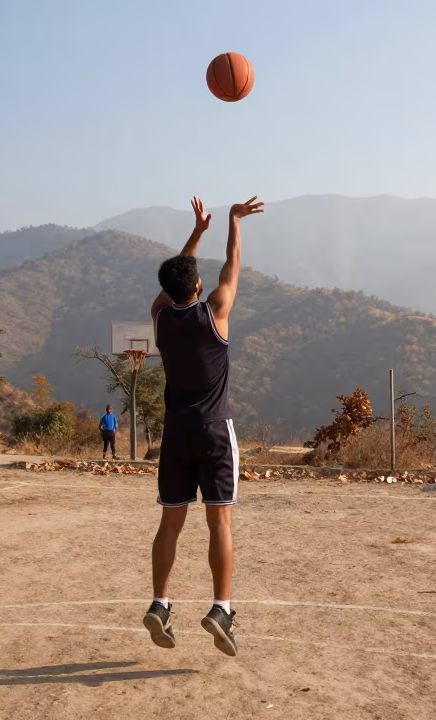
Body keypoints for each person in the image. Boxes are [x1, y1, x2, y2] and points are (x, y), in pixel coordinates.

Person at [141, 194, 263, 657]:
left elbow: (175, 279)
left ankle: (160, 602)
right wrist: (233, 222)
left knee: (170, 523)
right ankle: (221, 609)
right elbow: (233, 266)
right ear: (197, 285)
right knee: (220, 522)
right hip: (214, 430)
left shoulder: (160, 320)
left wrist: (195, 234)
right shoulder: (214, 311)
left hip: (175, 435)